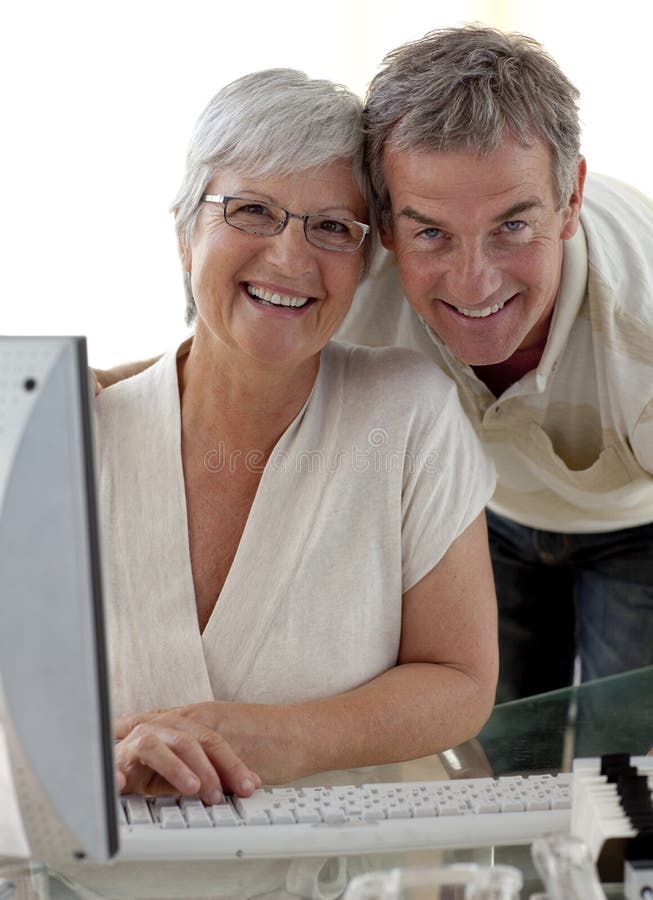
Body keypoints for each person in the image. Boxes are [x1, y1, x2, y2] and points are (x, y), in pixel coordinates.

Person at [97, 68, 498, 805]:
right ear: (186, 233)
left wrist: (283, 737)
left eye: (331, 227)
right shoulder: (73, 428)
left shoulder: (407, 416)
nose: (289, 258)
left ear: (367, 261)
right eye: (251, 210)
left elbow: (461, 683)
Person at [338, 25, 653, 703]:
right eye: (430, 233)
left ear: (569, 198)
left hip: (635, 526)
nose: (474, 284)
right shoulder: (350, 285)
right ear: (385, 223)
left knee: (626, 751)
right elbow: (223, 377)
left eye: (510, 225)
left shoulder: (643, 330)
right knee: (496, 750)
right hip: (487, 509)